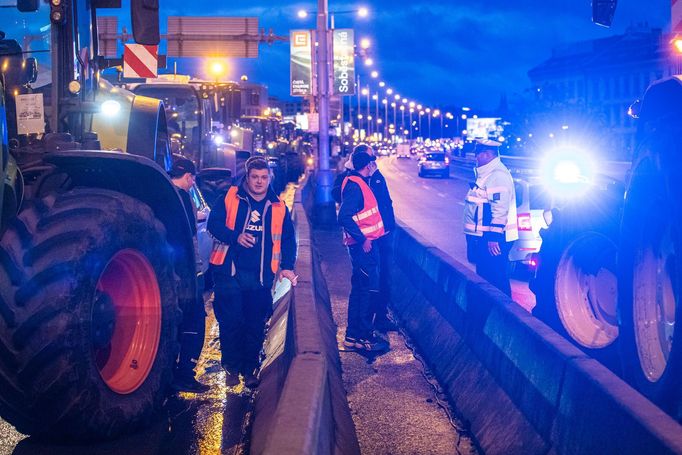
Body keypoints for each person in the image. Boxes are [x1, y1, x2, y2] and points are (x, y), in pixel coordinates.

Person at [207, 156, 297, 388]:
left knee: (255, 324)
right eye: (255, 177)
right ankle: (231, 366)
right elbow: (213, 225)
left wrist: (287, 267)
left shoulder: (278, 206)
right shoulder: (229, 198)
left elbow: (288, 239)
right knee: (231, 322)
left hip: (261, 277)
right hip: (229, 273)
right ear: (247, 177)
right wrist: (235, 236)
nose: (259, 182)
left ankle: (249, 369)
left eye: (264, 178)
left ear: (269, 178)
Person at [333, 144, 397, 333]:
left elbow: (385, 203)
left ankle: (370, 324)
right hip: (363, 242)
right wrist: (362, 239)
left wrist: (388, 227)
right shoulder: (353, 181)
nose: (373, 164)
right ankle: (360, 333)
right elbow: (344, 213)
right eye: (370, 160)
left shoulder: (373, 178)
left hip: (376, 238)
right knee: (365, 287)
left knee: (373, 283)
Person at [169, 158, 210, 393]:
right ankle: (185, 373)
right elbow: (190, 234)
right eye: (192, 178)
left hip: (169, 271)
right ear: (188, 177)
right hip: (189, 270)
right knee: (195, 319)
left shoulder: (160, 193)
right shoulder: (183, 197)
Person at [463, 140, 518, 296]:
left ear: (486, 154)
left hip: (493, 238)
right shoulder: (487, 174)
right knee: (488, 278)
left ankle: (505, 314)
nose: (476, 159)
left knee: (496, 280)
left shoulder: (497, 175)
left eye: (477, 155)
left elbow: (500, 209)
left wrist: (494, 237)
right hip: (485, 237)